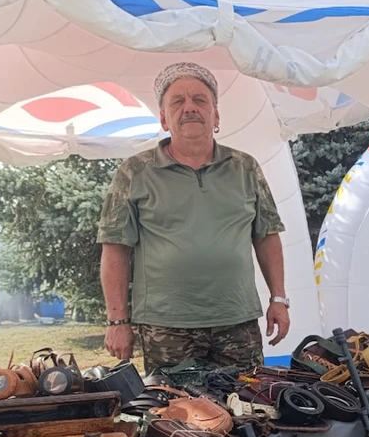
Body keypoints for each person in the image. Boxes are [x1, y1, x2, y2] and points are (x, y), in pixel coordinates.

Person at [97, 61, 290, 374]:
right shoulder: (134, 173)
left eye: (200, 100)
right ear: (164, 118)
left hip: (237, 321)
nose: (189, 108)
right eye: (177, 102)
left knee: (247, 401)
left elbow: (267, 235)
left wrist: (279, 298)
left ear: (216, 115)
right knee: (174, 405)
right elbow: (115, 249)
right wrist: (117, 321)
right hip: (166, 327)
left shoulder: (245, 168)